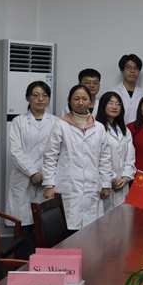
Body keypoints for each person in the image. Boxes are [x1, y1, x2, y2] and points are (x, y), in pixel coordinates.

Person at [42, 85, 113, 230]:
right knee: (69, 230)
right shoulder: (61, 126)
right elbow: (50, 157)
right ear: (69, 101)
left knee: (91, 231)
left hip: (92, 187)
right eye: (76, 99)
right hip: (68, 187)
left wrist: (106, 184)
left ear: (90, 101)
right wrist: (49, 185)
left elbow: (105, 159)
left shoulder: (99, 128)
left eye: (85, 99)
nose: (81, 102)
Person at [7, 81, 58, 257]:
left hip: (48, 178)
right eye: (35, 95)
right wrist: (33, 172)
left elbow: (58, 151)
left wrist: (45, 174)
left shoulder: (56, 122)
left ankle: (46, 264)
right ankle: (26, 264)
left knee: (46, 225)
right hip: (24, 178)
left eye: (44, 95)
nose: (40, 99)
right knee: (25, 226)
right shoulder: (19, 122)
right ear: (27, 98)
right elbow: (16, 151)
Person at [96, 91, 136, 213]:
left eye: (118, 104)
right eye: (110, 103)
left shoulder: (124, 130)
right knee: (104, 219)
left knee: (123, 219)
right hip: (103, 183)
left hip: (122, 183)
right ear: (103, 105)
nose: (114, 107)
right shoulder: (97, 128)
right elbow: (97, 158)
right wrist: (112, 179)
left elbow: (130, 157)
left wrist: (126, 177)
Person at [112, 54, 143, 125]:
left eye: (136, 68)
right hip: (118, 130)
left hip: (139, 130)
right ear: (121, 70)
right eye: (128, 68)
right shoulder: (113, 93)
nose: (132, 71)